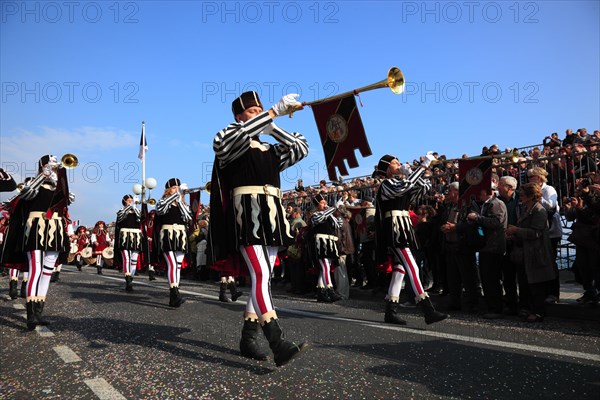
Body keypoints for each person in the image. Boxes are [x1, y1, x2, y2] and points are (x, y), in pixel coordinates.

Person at [209, 91, 310, 367]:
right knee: (261, 273)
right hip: (248, 213)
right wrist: (274, 111)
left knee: (262, 278)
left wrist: (273, 127)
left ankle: (248, 337)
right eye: (253, 111)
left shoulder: (268, 148)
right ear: (239, 116)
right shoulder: (228, 138)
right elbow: (232, 141)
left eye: (260, 109)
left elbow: (301, 148)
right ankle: (277, 341)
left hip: (273, 215)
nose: (259, 113)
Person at [375, 153, 448, 325]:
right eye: (394, 163)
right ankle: (427, 309)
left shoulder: (399, 182)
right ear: (386, 169)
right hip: (394, 228)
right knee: (411, 266)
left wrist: (414, 173)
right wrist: (422, 167)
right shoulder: (386, 183)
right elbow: (403, 187)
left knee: (400, 270)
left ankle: (390, 311)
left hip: (402, 227)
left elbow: (423, 188)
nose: (398, 164)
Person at [13, 155, 71, 330]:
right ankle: (31, 314)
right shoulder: (33, 181)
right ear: (43, 165)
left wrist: (65, 191)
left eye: (55, 162)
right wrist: (42, 176)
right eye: (51, 162)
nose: (54, 164)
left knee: (47, 272)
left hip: (54, 228)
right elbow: (26, 194)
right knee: (35, 270)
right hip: (36, 227)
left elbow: (63, 205)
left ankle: (39, 311)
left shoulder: (58, 186)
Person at [506, 183, 557, 322]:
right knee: (526, 283)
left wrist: (517, 230)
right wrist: (514, 234)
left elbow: (537, 233)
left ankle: (539, 312)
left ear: (530, 196)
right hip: (526, 253)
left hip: (536, 252)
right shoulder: (526, 209)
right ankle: (527, 308)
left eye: (522, 194)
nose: (520, 197)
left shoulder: (539, 210)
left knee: (537, 285)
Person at [467, 187, 507, 319]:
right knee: (486, 278)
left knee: (492, 278)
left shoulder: (496, 204)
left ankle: (496, 308)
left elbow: (497, 222)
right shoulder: (487, 204)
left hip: (494, 246)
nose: (479, 194)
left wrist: (478, 218)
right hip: (487, 245)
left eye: (481, 191)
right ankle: (491, 306)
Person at [154, 178, 192, 307]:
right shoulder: (162, 202)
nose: (177, 189)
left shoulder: (183, 204)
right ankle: (174, 292)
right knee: (173, 264)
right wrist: (176, 195)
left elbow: (188, 218)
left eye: (178, 187)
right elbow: (160, 211)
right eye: (174, 187)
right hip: (167, 234)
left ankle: (174, 296)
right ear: (168, 189)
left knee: (179, 266)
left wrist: (180, 201)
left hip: (180, 235)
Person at [310, 193, 343, 303]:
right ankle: (330, 289)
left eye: (325, 203)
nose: (325, 205)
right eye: (322, 203)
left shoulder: (330, 215)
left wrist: (338, 211)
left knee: (326, 267)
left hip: (330, 242)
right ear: (317, 205)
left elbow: (339, 224)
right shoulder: (315, 214)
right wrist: (333, 208)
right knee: (325, 267)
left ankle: (321, 291)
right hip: (321, 242)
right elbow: (320, 218)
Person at [115, 194, 142, 292]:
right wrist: (129, 206)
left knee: (134, 259)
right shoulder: (121, 210)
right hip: (125, 235)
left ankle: (131, 279)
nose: (131, 201)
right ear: (124, 201)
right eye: (129, 200)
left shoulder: (137, 210)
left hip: (135, 236)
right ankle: (127, 278)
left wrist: (135, 206)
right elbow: (121, 216)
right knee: (126, 258)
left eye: (131, 200)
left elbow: (140, 218)